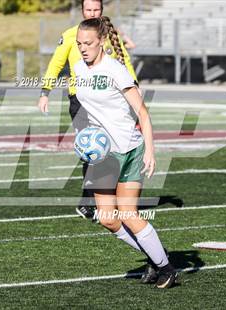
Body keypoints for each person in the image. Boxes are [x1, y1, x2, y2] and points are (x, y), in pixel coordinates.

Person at [71, 16, 179, 289]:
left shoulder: (115, 69)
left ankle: (166, 268)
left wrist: (151, 151)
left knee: (129, 213)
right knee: (107, 218)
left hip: (130, 149)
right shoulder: (77, 69)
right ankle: (155, 260)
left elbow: (142, 112)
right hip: (104, 155)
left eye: (88, 43)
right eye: (79, 43)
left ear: (101, 42)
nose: (83, 48)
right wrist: (85, 138)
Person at [37, 0, 139, 221]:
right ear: (82, 11)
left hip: (111, 100)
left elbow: (125, 62)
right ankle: (88, 203)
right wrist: (45, 92)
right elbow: (56, 63)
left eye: (96, 9)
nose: (92, 13)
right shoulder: (71, 35)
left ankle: (105, 200)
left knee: (115, 147)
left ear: (102, 11)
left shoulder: (110, 36)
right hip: (81, 100)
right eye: (88, 10)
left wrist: (135, 88)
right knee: (93, 148)